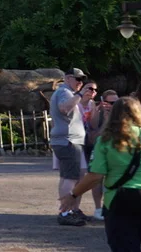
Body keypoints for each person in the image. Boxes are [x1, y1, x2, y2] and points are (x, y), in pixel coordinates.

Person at [62, 97, 141, 251]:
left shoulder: (105, 140)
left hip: (119, 199)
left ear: (113, 114)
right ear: (139, 114)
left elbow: (95, 176)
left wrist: (73, 195)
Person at [51, 67, 91, 225]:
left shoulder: (68, 93)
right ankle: (65, 213)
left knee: (76, 176)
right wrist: (80, 95)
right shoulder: (64, 92)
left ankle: (72, 209)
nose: (81, 83)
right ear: (67, 78)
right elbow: (64, 108)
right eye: (77, 79)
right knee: (70, 177)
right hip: (68, 141)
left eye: (82, 80)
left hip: (70, 140)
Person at [85, 88, 119, 221]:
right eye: (109, 103)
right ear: (103, 102)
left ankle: (111, 206)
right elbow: (92, 138)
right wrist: (105, 120)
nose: (112, 106)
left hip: (116, 150)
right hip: (99, 149)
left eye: (115, 103)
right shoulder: (97, 114)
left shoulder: (121, 114)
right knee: (97, 179)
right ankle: (98, 208)